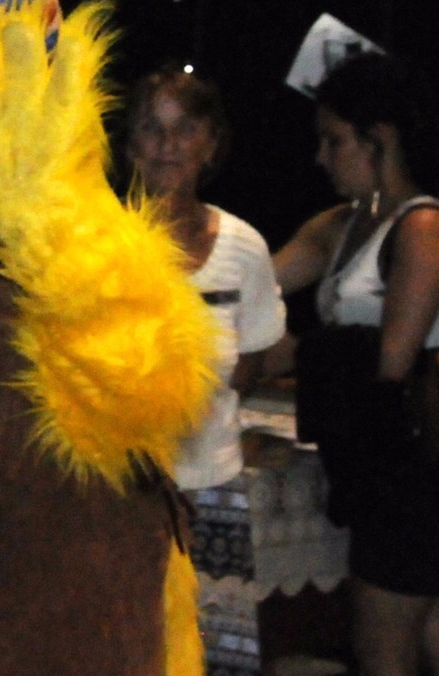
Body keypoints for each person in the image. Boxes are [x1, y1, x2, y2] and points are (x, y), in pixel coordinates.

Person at [271, 53, 439, 676]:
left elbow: (392, 362)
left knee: (384, 657)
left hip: (415, 478)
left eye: (334, 140)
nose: (321, 157)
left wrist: (300, 351)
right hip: (386, 471)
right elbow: (256, 284)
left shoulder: (424, 226)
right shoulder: (343, 223)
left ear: (380, 139)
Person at [123, 64, 286, 676]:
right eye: (151, 128)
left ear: (211, 144)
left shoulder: (244, 248)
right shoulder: (100, 244)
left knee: (219, 653)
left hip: (212, 484)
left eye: (185, 128)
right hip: (122, 492)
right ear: (129, 146)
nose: (168, 144)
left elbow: (251, 360)